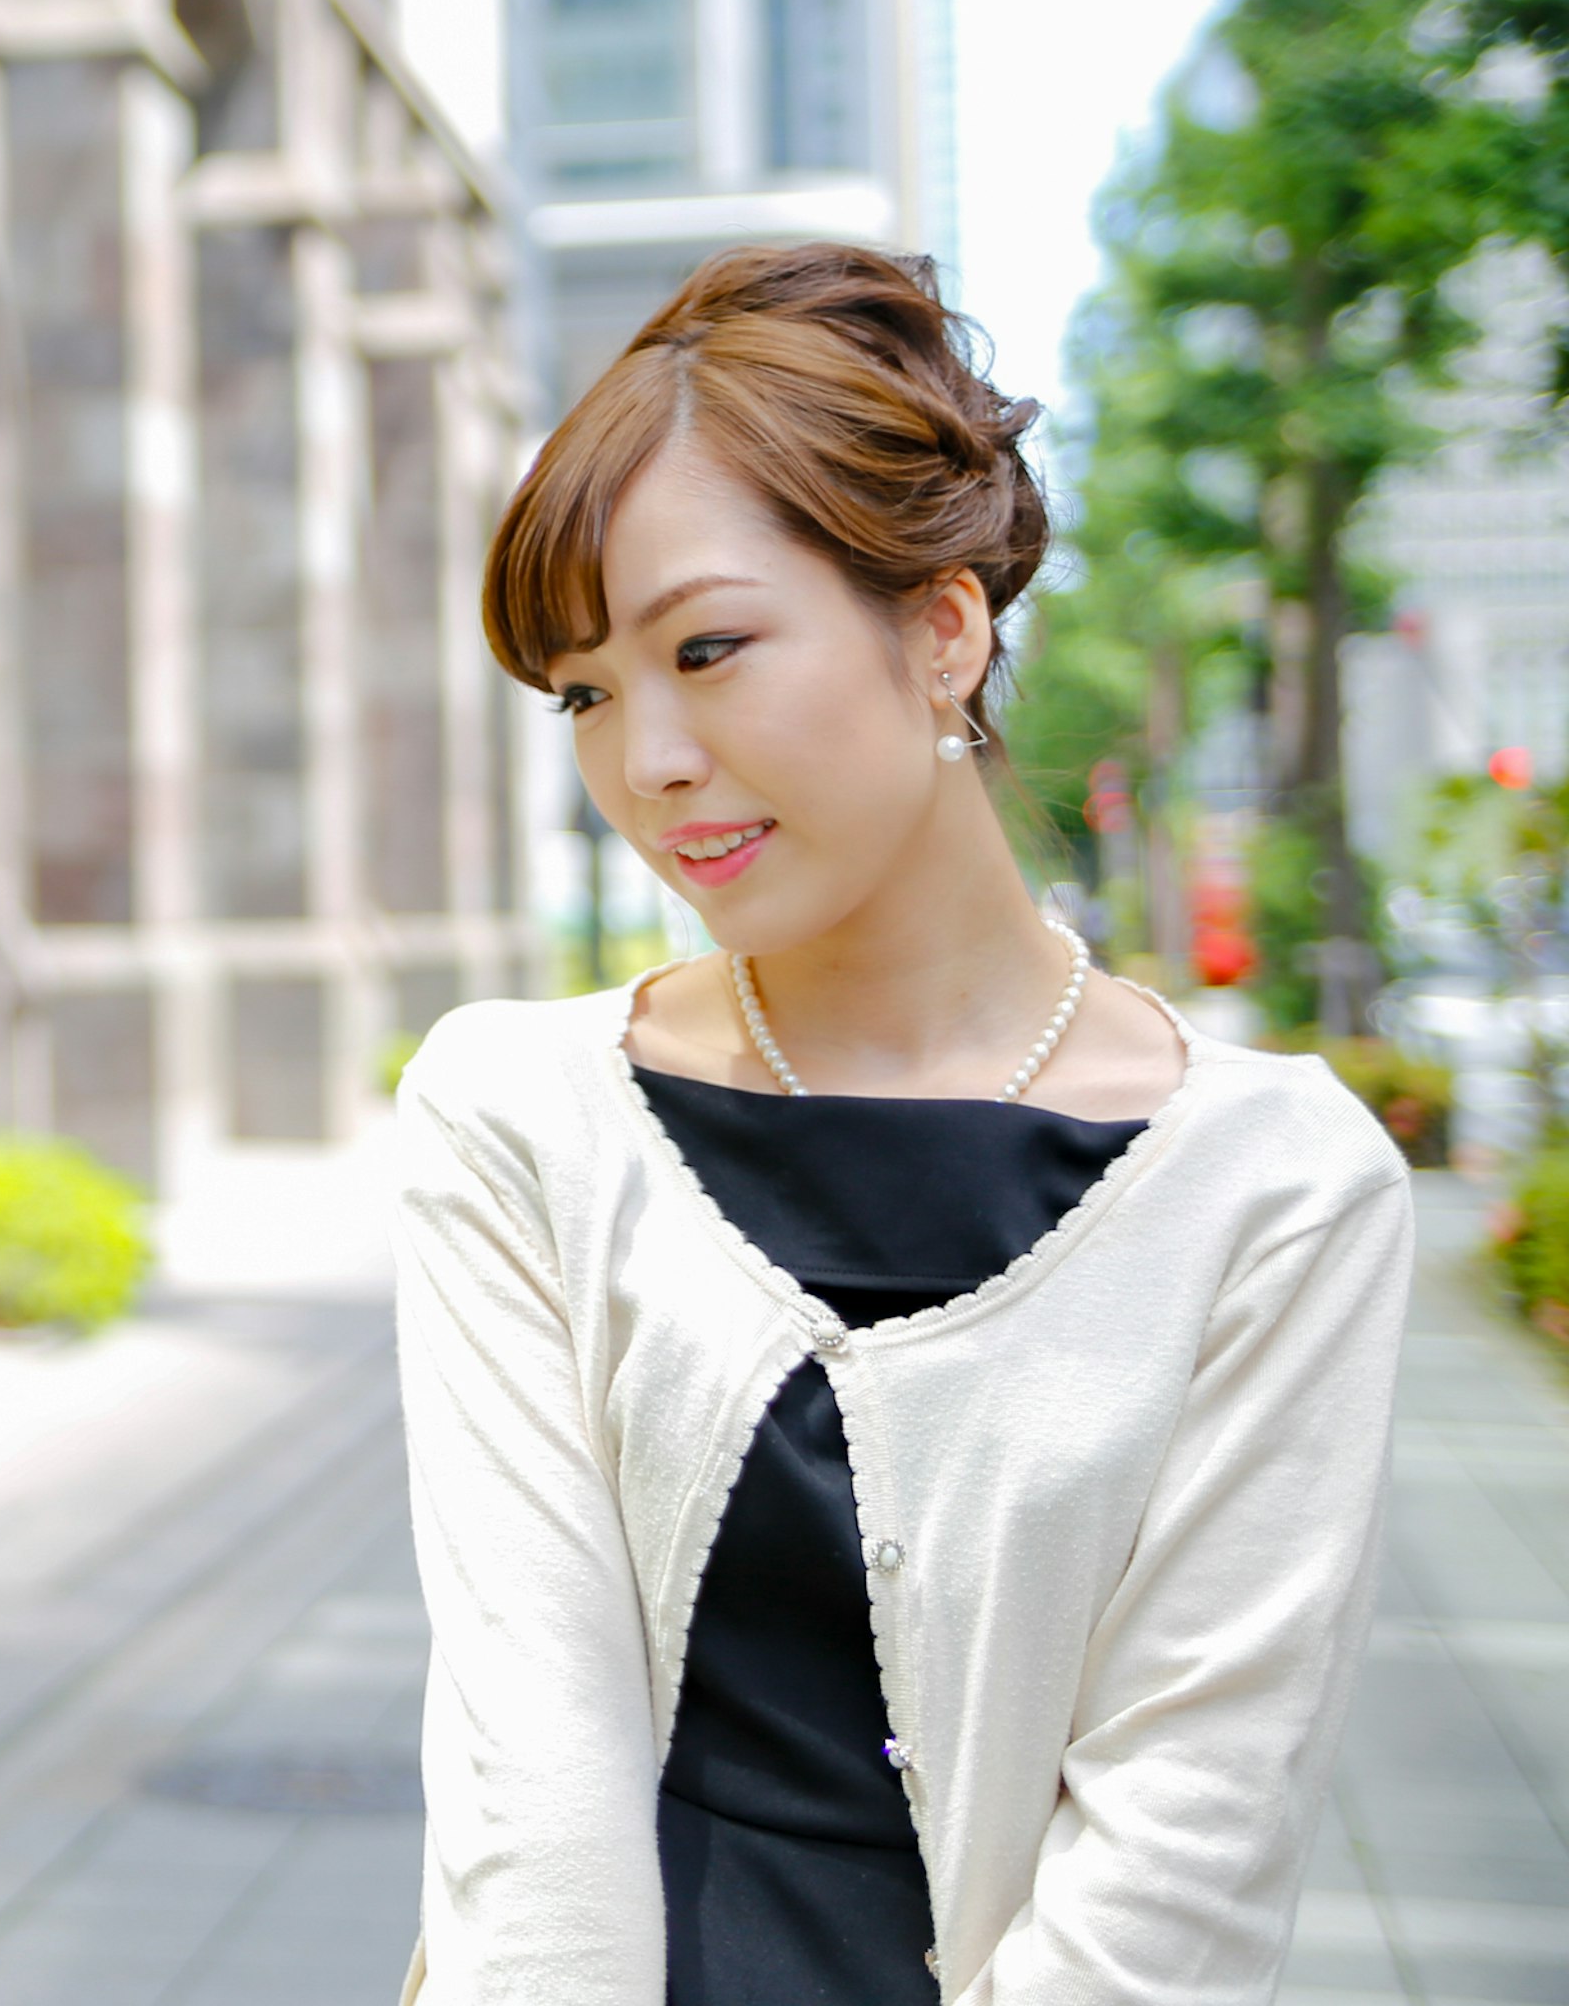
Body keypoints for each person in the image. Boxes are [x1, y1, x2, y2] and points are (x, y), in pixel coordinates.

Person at [391, 245, 1411, 2004]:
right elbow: (525, 1772)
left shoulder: (1277, 1188)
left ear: (942, 629)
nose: (649, 762)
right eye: (586, 694)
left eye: (706, 650)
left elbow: (1191, 1836)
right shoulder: (518, 1118)